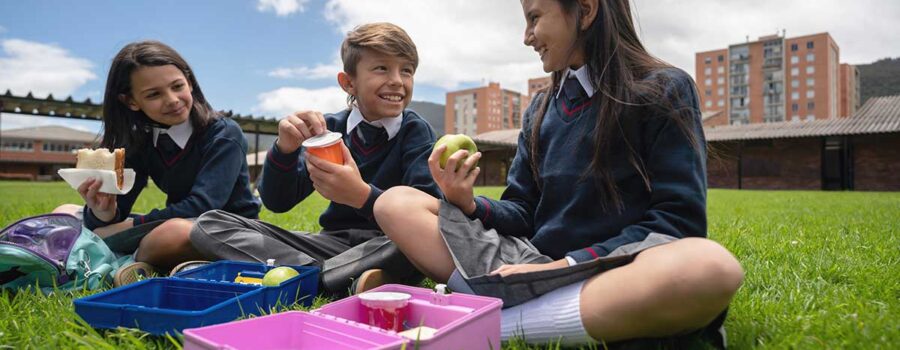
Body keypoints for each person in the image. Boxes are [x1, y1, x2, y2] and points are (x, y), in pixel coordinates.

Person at [371, 0, 744, 347]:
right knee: (395, 203)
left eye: (534, 18)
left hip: (611, 272)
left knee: (710, 267)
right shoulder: (540, 109)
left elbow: (677, 222)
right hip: (525, 263)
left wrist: (567, 266)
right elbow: (522, 210)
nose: (527, 36)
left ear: (584, 10)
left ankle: (492, 324)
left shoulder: (664, 88)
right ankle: (548, 313)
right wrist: (466, 202)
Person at [189, 22, 441, 296]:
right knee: (209, 224)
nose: (397, 80)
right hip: (330, 244)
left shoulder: (415, 131)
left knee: (411, 246)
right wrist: (284, 150)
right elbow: (278, 202)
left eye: (407, 70)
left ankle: (304, 277)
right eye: (382, 68)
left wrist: (363, 196)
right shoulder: (326, 130)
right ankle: (333, 277)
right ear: (349, 82)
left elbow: (423, 216)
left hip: (388, 242)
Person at [53, 41, 260, 285]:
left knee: (167, 236)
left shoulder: (224, 133)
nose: (172, 100)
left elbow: (203, 205)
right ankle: (138, 261)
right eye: (154, 94)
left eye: (177, 86)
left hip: (229, 230)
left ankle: (125, 262)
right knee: (64, 213)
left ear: (189, 82)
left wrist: (128, 225)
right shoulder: (141, 141)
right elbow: (115, 213)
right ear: (131, 101)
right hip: (175, 224)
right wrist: (103, 211)